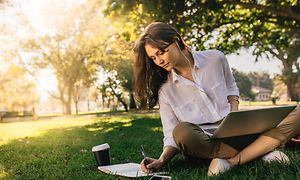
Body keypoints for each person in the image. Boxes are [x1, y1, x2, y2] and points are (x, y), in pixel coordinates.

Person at [132, 22, 300, 176]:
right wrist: (162, 160)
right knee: (181, 132)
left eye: (161, 52)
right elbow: (171, 135)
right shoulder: (165, 89)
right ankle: (262, 149)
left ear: (176, 40)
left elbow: (231, 89)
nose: (159, 60)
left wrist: (234, 117)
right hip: (205, 141)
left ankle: (233, 161)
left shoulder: (215, 58)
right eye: (153, 58)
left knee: (297, 114)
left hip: (236, 130)